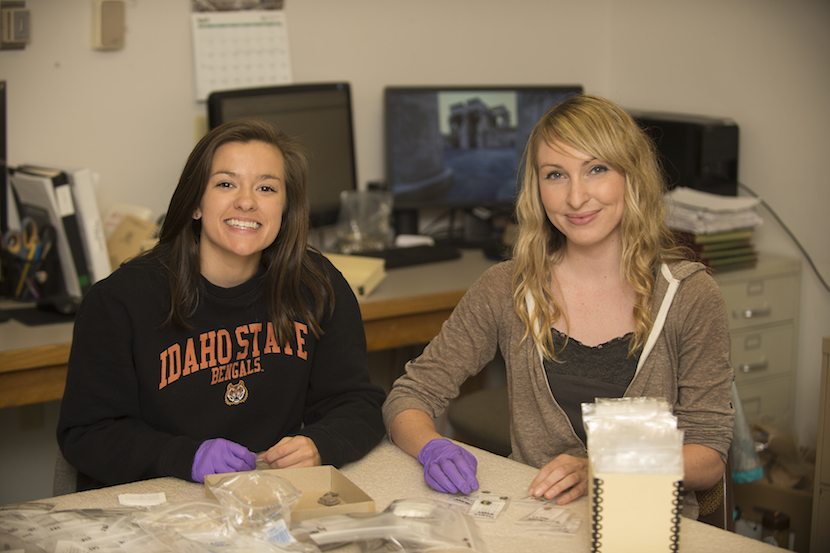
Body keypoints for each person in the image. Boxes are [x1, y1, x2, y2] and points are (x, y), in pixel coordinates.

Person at [382, 94, 734, 518]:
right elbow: (410, 396)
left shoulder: (688, 296)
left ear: (631, 176)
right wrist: (432, 446)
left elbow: (708, 457)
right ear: (537, 188)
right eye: (555, 175)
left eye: (596, 169)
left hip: (644, 528)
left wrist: (604, 470)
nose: (576, 197)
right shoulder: (507, 287)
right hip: (537, 523)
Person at [57, 119, 386, 491]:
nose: (246, 201)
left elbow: (358, 403)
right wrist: (185, 456)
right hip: (158, 502)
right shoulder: (120, 301)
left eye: (266, 187)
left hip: (266, 497)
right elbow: (86, 434)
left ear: (285, 208)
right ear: (196, 203)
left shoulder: (316, 286)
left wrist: (319, 445)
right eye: (226, 184)